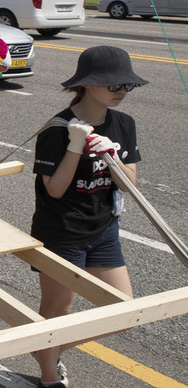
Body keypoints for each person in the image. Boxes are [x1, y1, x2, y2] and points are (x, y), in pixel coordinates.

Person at [32, 46, 143, 388]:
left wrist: (114, 159)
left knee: (123, 313)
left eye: (127, 85)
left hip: (105, 228)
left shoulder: (123, 124)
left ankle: (44, 348)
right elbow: (55, 190)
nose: (122, 91)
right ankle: (50, 375)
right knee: (58, 310)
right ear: (87, 84)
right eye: (114, 85)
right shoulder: (57, 129)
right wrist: (75, 146)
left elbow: (129, 185)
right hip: (62, 232)